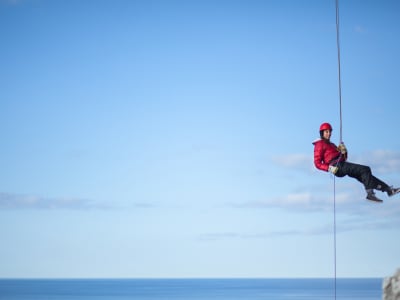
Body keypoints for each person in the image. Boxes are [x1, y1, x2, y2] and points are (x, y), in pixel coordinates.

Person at [313, 122, 400, 202]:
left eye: (330, 131)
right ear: (322, 133)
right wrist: (329, 168)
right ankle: (370, 194)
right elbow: (317, 163)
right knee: (365, 169)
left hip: (342, 164)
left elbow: (344, 157)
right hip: (337, 166)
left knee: (366, 177)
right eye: (326, 132)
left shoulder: (331, 145)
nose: (329, 134)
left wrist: (344, 151)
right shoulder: (319, 144)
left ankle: (388, 190)